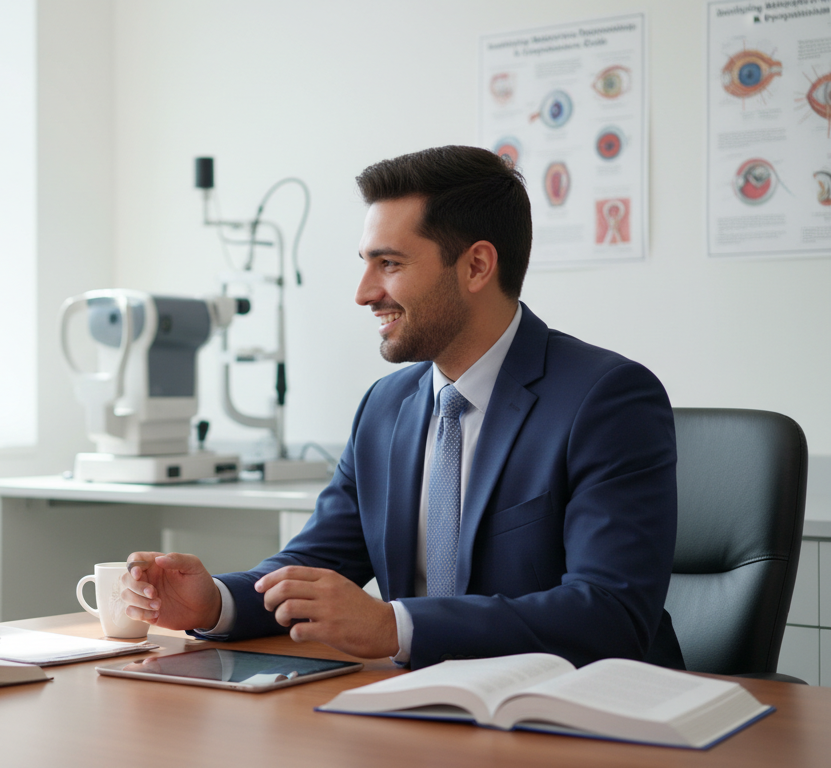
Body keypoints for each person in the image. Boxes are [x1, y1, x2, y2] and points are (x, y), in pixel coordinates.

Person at [122, 146, 684, 670]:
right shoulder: (386, 407)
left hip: (579, 722)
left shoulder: (606, 398)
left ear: (476, 267)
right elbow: (313, 566)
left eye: (389, 263)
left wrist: (396, 626)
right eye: (366, 263)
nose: (364, 293)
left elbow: (611, 615)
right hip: (415, 711)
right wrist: (213, 602)